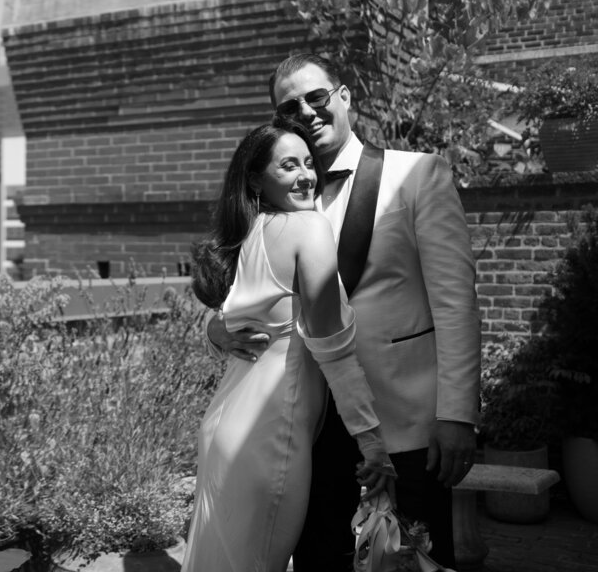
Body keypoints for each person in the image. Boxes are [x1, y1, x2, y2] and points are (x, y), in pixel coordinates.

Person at [205, 53, 481, 570]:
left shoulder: (418, 174)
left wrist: (458, 414)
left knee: (410, 560)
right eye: (290, 108)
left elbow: (456, 301)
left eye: (317, 97)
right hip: (306, 429)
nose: (306, 113)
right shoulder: (276, 200)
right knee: (318, 561)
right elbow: (239, 285)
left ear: (345, 97)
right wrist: (215, 326)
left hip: (404, 424)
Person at [181, 119, 394, 572]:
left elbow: (219, 314)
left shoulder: (249, 231)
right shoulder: (308, 228)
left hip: (225, 427)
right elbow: (331, 347)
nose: (305, 175)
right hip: (269, 438)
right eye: (288, 165)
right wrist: (371, 440)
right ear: (257, 178)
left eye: (307, 164)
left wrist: (212, 330)